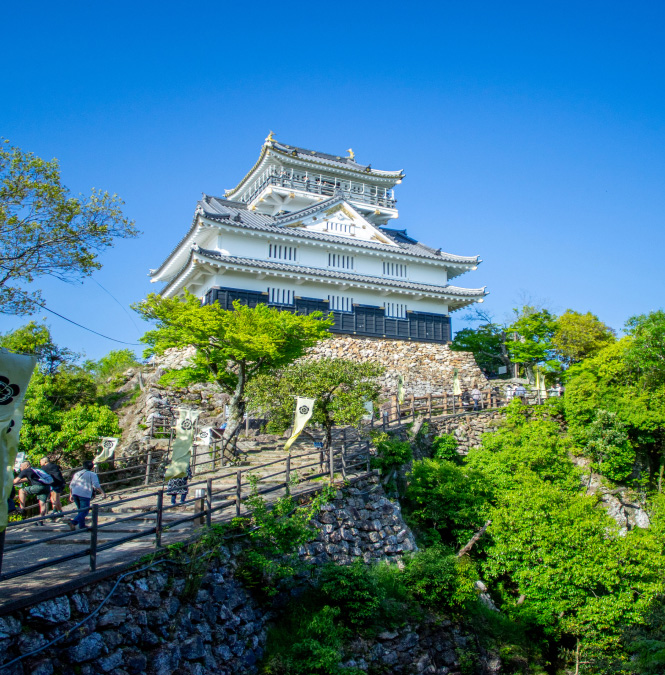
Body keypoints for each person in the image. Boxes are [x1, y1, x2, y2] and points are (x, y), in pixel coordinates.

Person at [68, 460, 106, 530]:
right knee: (85, 511)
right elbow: (96, 485)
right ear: (91, 467)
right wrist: (102, 493)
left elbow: (72, 485)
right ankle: (73, 522)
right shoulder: (92, 474)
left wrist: (71, 495)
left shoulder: (77, 473)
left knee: (80, 510)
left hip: (75, 492)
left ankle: (82, 525)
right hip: (84, 493)